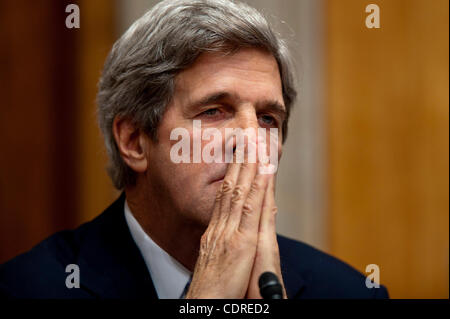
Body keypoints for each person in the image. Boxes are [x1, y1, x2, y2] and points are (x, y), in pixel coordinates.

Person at [0, 0, 388, 299]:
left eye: (269, 118)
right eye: (214, 111)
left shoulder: (347, 291)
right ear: (135, 141)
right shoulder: (30, 287)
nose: (252, 141)